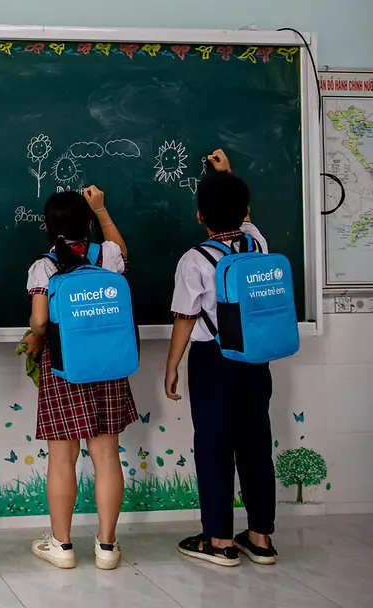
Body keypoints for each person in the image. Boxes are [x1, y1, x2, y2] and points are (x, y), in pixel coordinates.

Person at [164, 149, 279, 567]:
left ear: (199, 216)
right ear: (246, 211)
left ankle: (219, 540)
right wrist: (226, 174)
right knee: (255, 443)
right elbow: (242, 217)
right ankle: (261, 537)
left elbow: (184, 318)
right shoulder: (259, 244)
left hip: (213, 360)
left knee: (213, 447)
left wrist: (172, 366)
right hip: (255, 357)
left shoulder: (194, 259)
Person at [21, 186, 138, 570]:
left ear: (46, 227)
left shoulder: (44, 266)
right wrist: (103, 211)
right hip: (109, 364)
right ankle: (107, 547)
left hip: (64, 366)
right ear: (87, 222)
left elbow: (40, 321)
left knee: (62, 458)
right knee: (106, 455)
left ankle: (63, 545)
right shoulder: (107, 254)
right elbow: (122, 251)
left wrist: (35, 340)